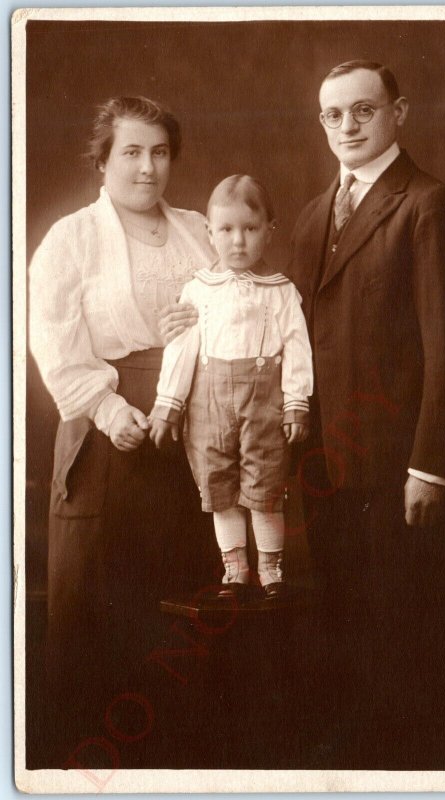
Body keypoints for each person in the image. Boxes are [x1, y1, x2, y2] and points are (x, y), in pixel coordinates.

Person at [287, 61, 445, 752]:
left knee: (401, 650)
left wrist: (431, 468)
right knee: (341, 638)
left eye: (363, 110)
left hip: (399, 475)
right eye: (333, 114)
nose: (347, 125)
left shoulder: (430, 206)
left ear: (397, 113)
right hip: (325, 473)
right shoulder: (315, 215)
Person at [29, 96, 219, 732]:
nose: (147, 168)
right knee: (102, 617)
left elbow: (244, 311)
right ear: (103, 161)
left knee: (181, 614)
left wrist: (199, 322)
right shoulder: (72, 238)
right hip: (108, 436)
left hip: (190, 434)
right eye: (132, 152)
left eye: (160, 153)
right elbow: (53, 339)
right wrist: (110, 409)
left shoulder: (200, 228)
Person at [148, 175, 313, 599]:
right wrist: (168, 404)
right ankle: (235, 569)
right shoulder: (198, 290)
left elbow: (297, 348)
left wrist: (296, 402)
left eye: (250, 229)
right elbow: (182, 350)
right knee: (220, 489)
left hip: (264, 408)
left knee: (265, 489)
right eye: (226, 229)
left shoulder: (280, 293)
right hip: (208, 406)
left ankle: (271, 568)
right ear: (209, 232)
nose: (238, 241)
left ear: (269, 230)